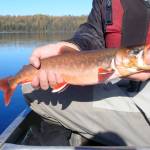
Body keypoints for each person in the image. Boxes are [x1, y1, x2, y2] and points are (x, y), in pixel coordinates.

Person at [22, 0, 150, 146]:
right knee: (32, 88)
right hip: (120, 81)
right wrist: (72, 46)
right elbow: (93, 32)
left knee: (37, 94)